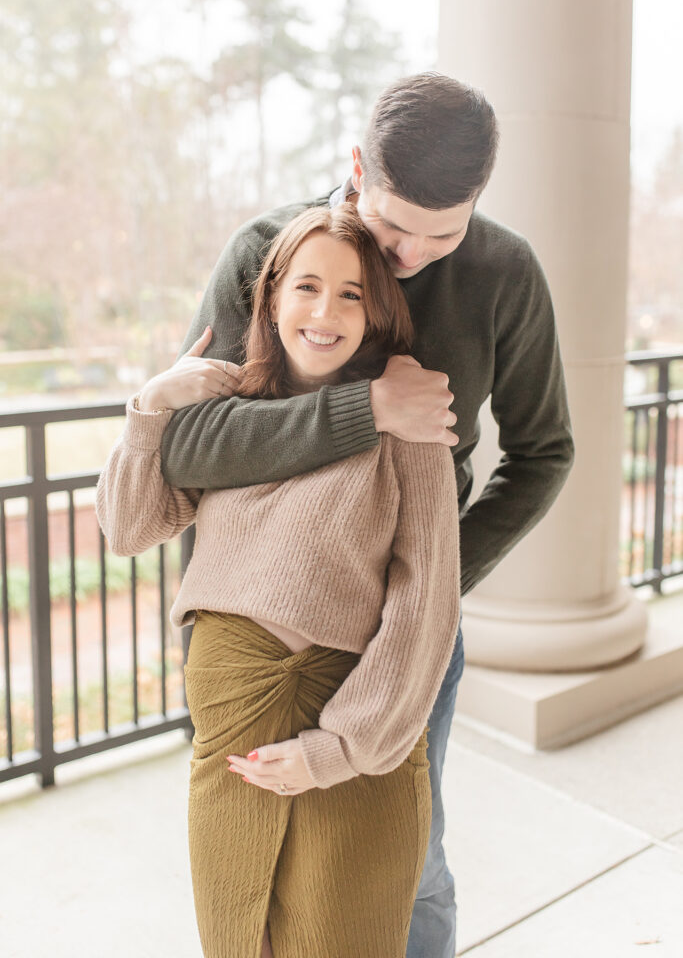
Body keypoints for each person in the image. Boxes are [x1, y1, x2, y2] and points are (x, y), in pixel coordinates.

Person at [157, 71, 575, 958]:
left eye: (442, 234)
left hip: (407, 636)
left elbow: (545, 452)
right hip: (252, 630)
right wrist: (368, 411)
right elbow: (186, 449)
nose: (413, 256)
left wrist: (429, 587)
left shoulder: (503, 271)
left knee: (409, 858)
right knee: (254, 858)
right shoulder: (266, 251)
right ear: (356, 165)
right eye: (392, 227)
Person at [96, 203, 462, 958]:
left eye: (351, 293)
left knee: (343, 935)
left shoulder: (405, 418)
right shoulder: (228, 415)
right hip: (230, 733)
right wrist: (154, 405)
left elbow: (424, 603)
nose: (324, 311)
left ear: (375, 312)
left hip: (347, 732)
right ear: (269, 298)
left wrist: (334, 751)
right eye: (305, 286)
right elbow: (129, 527)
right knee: (238, 939)